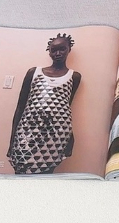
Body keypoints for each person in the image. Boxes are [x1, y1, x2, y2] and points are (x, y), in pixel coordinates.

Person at [6, 33, 82, 175]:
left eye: (62, 49)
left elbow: (67, 106)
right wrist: (12, 141)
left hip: (57, 133)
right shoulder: (34, 72)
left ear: (69, 49)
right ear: (49, 51)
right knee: (21, 165)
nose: (58, 53)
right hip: (28, 128)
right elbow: (20, 106)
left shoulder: (74, 76)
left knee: (46, 172)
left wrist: (71, 137)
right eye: (54, 50)